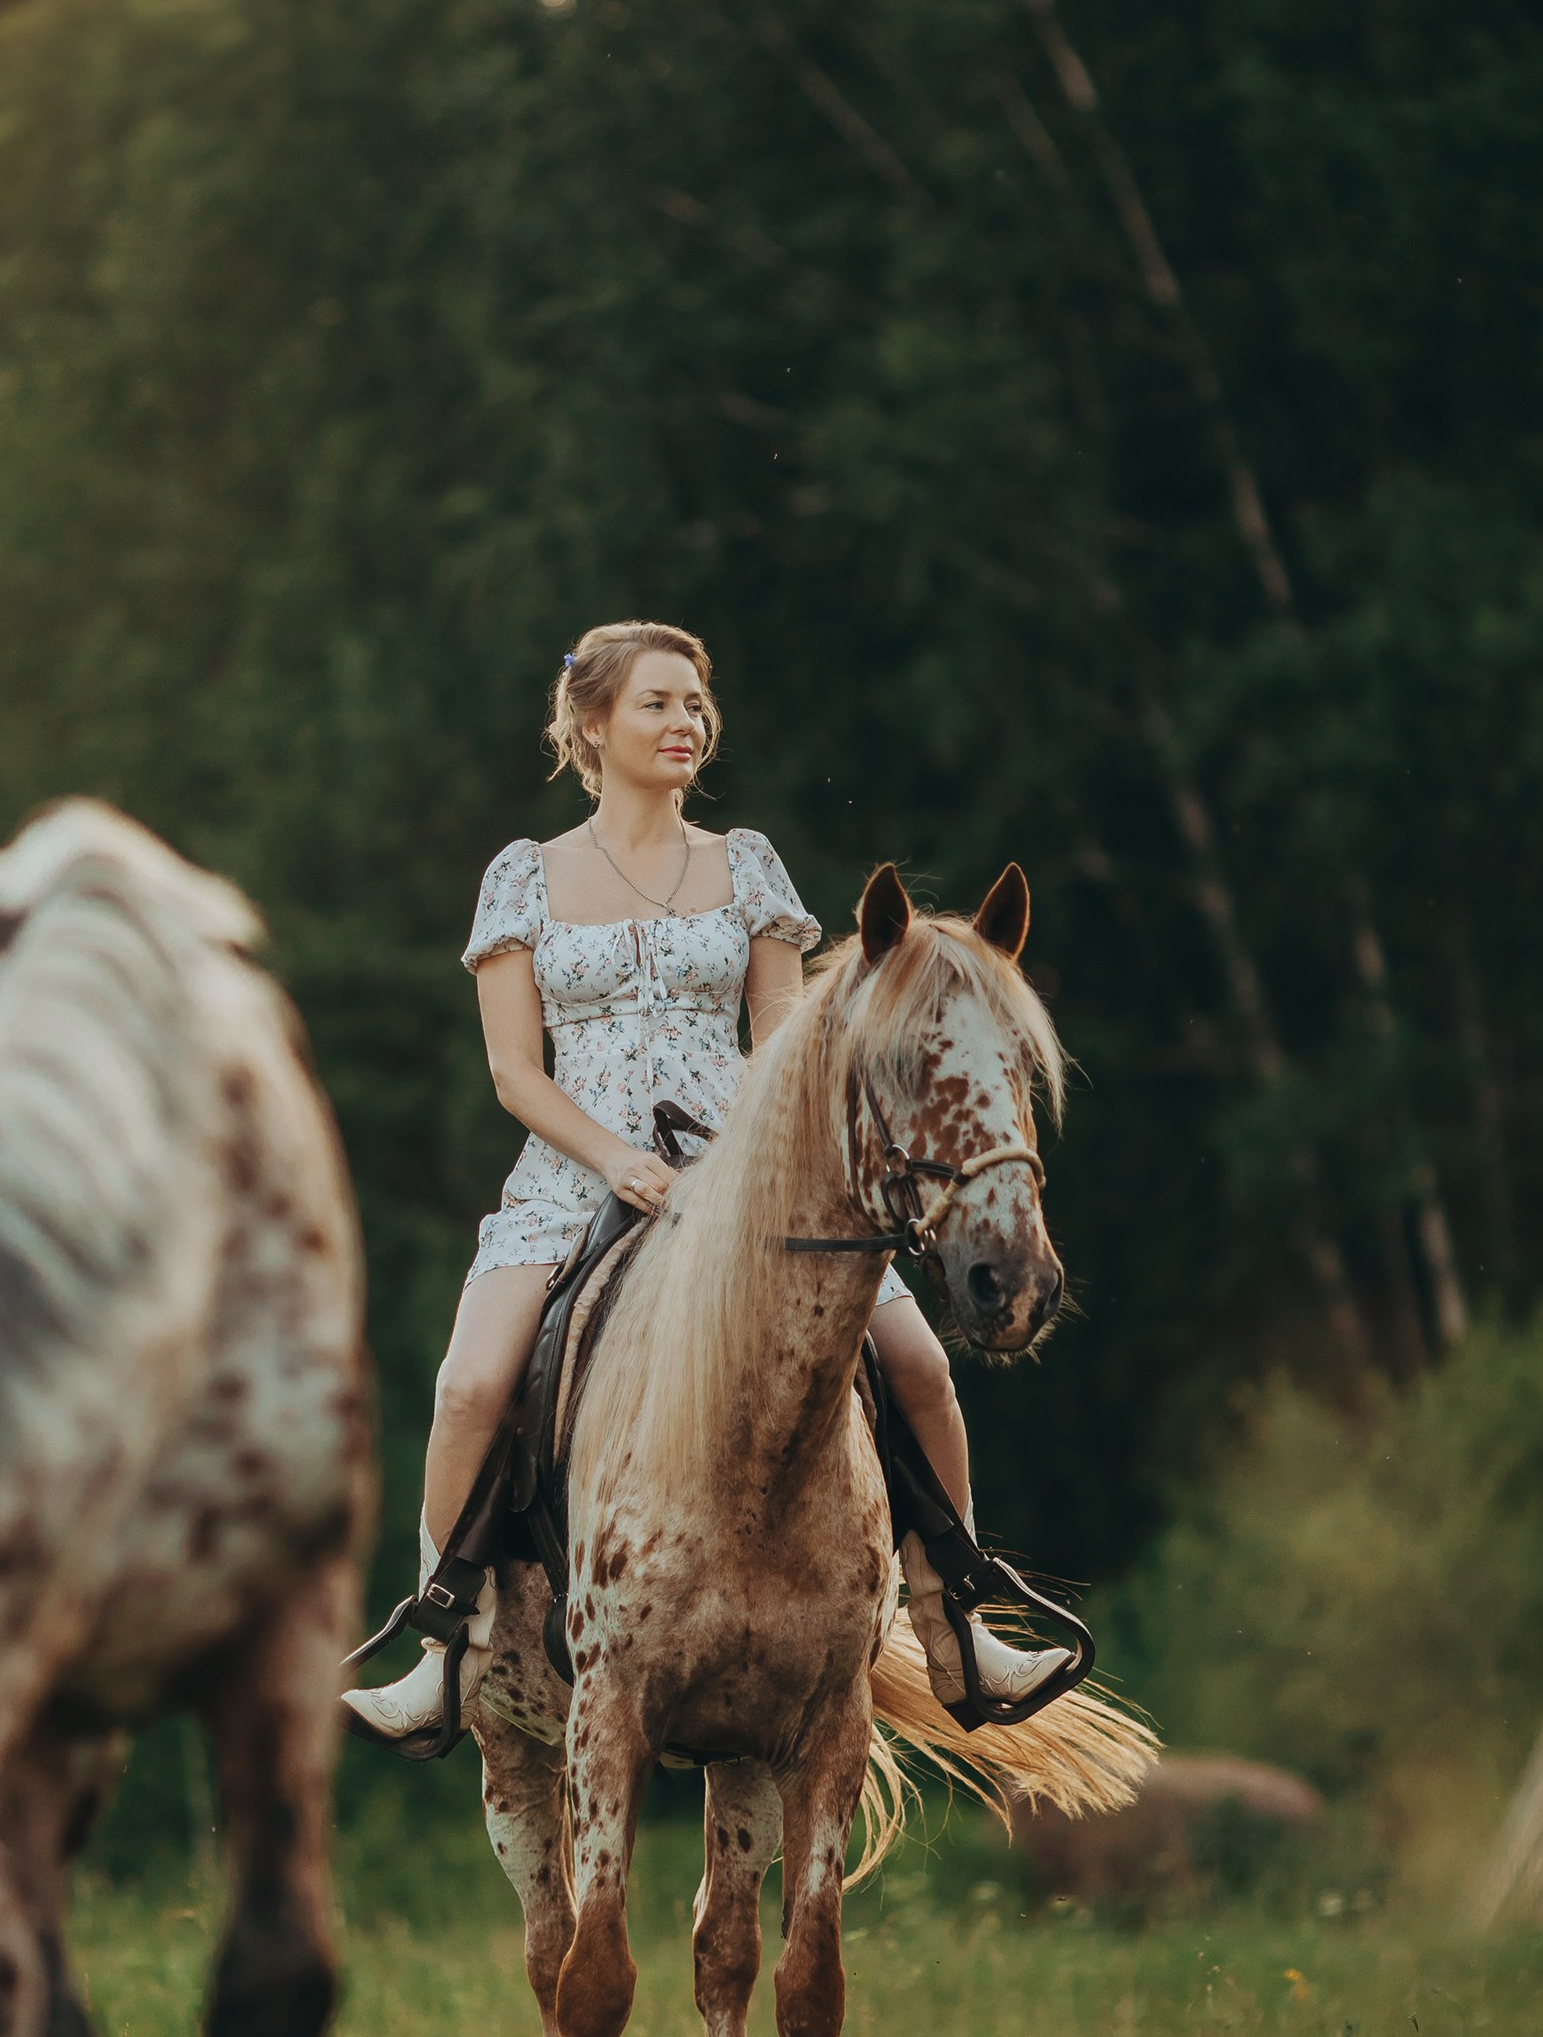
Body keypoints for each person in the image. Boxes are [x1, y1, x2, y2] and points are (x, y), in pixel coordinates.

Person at [343, 619, 1066, 1744]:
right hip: (569, 1185)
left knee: (920, 1366)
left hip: (747, 1194)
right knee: (469, 1389)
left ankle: (954, 1623)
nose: (687, 723)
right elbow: (509, 1070)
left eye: (695, 705)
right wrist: (616, 1161)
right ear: (592, 724)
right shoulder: (523, 877)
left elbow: (782, 1042)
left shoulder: (747, 867)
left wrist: (740, 1170)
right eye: (658, 704)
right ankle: (445, 1643)